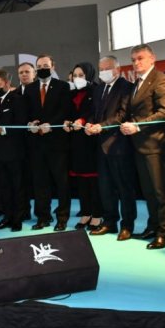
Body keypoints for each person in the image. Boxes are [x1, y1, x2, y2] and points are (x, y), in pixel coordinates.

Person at [120, 44, 165, 250]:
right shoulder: (137, 83)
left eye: (140, 58)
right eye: (133, 60)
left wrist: (137, 126)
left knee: (161, 192)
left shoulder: (161, 79)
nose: (136, 63)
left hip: (155, 145)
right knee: (149, 191)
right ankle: (153, 226)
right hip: (139, 145)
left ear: (152, 58)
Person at [86, 56, 138, 241]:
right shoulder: (99, 88)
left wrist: (102, 126)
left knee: (124, 188)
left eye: (107, 68)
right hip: (101, 146)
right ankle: (109, 222)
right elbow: (94, 113)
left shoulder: (126, 87)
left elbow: (123, 114)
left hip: (119, 145)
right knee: (105, 187)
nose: (103, 72)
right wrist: (89, 124)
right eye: (101, 69)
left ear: (117, 69)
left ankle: (127, 225)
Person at [24, 54, 72, 231]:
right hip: (36, 144)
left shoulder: (63, 86)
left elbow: (66, 110)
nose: (42, 68)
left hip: (57, 143)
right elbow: (25, 112)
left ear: (53, 67)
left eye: (45, 65)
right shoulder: (29, 89)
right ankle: (43, 217)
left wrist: (51, 125)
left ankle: (62, 218)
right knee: (40, 183)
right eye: (39, 66)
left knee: (61, 183)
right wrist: (29, 124)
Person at [0, 69, 27, 232]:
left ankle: (18, 220)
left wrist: (1, 130)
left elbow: (21, 125)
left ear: (7, 83)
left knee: (17, 187)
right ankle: (7, 218)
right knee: (4, 188)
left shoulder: (18, 100)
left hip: (14, 152)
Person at [65, 62, 102, 231]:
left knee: (94, 181)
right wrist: (66, 122)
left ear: (89, 75)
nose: (77, 78)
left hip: (91, 140)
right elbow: (67, 112)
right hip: (76, 142)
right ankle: (85, 213)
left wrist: (83, 120)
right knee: (81, 181)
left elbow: (97, 112)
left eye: (81, 75)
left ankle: (97, 214)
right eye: (75, 75)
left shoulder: (96, 90)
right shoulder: (71, 93)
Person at [15, 62, 36, 221]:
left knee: (39, 180)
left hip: (38, 142)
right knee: (20, 180)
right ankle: (23, 211)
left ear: (34, 73)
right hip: (18, 144)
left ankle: (42, 213)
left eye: (27, 71)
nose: (24, 74)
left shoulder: (40, 91)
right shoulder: (14, 93)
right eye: (21, 72)